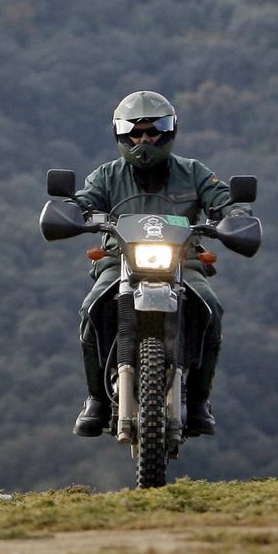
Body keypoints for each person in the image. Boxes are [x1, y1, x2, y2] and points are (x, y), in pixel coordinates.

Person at [69, 90, 251, 439]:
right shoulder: (106, 176)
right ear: (122, 134)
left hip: (184, 263)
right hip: (118, 262)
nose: (144, 140)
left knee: (211, 307)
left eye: (153, 131)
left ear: (169, 132)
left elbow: (226, 201)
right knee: (90, 308)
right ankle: (96, 399)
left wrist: (235, 216)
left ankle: (199, 400)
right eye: (136, 133)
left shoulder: (194, 172)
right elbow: (80, 203)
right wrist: (71, 212)